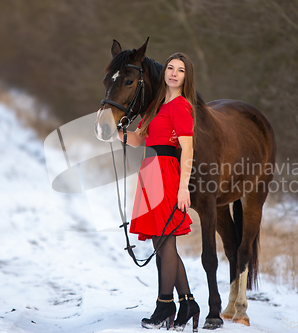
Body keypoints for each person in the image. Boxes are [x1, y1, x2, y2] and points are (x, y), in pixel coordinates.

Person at [117, 52, 200, 331]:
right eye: (170, 68)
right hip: (149, 173)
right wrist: (116, 130)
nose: (174, 73)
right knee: (158, 243)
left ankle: (165, 306)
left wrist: (183, 188)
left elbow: (187, 149)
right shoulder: (156, 105)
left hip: (166, 173)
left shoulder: (180, 106)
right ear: (163, 72)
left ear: (186, 77)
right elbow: (139, 138)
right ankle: (188, 302)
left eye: (180, 70)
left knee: (166, 243)